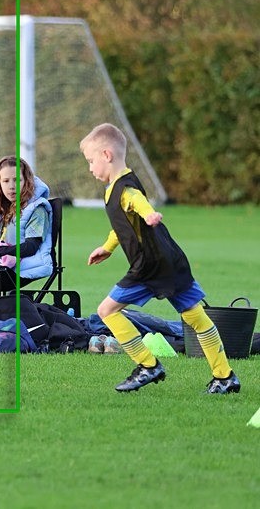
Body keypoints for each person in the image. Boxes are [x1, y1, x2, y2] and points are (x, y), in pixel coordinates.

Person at [80, 122, 239, 393]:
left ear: (107, 155)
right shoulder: (117, 187)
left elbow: (137, 202)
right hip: (171, 261)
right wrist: (108, 247)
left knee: (107, 310)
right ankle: (225, 377)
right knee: (196, 318)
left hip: (150, 266)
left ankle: (148, 365)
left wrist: (149, 213)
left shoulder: (125, 189)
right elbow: (123, 225)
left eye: (91, 161)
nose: (90, 168)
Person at [0, 155, 53, 281]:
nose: (11, 186)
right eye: (6, 181)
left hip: (22, 269)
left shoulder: (37, 209)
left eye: (17, 180)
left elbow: (31, 247)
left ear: (27, 181)